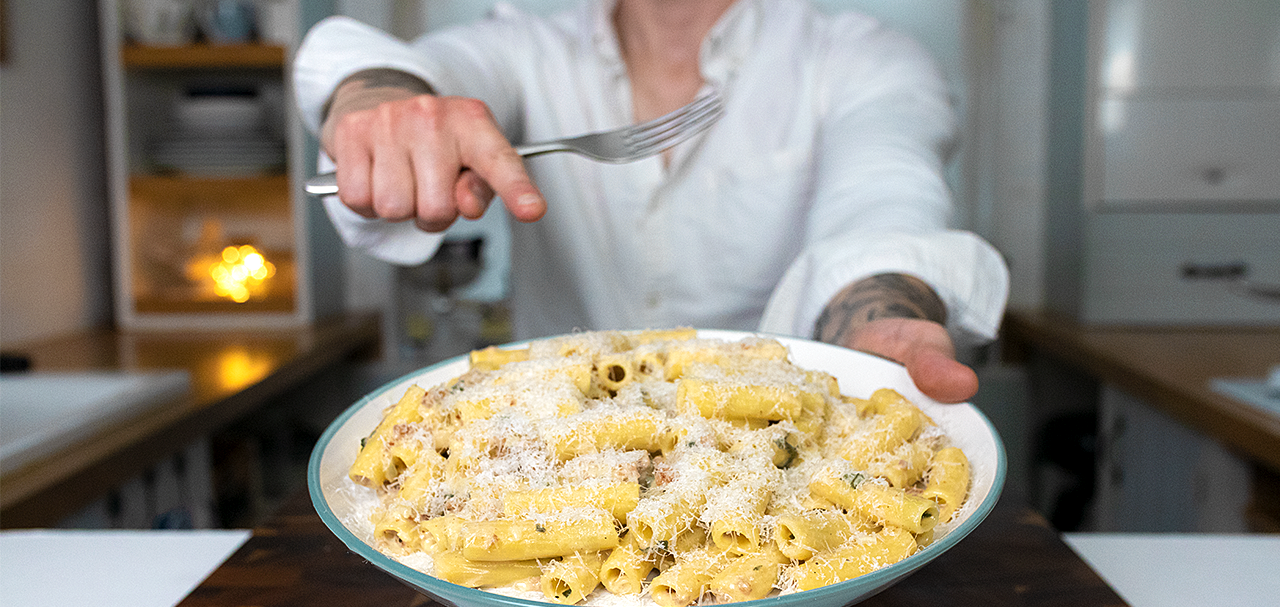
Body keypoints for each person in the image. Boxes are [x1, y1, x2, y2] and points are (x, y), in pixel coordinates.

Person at [293, 0, 1009, 403]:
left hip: (771, 450)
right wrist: (385, 107)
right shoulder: (522, 48)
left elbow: (882, 198)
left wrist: (879, 312)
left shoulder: (863, 60)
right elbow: (411, 70)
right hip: (548, 446)